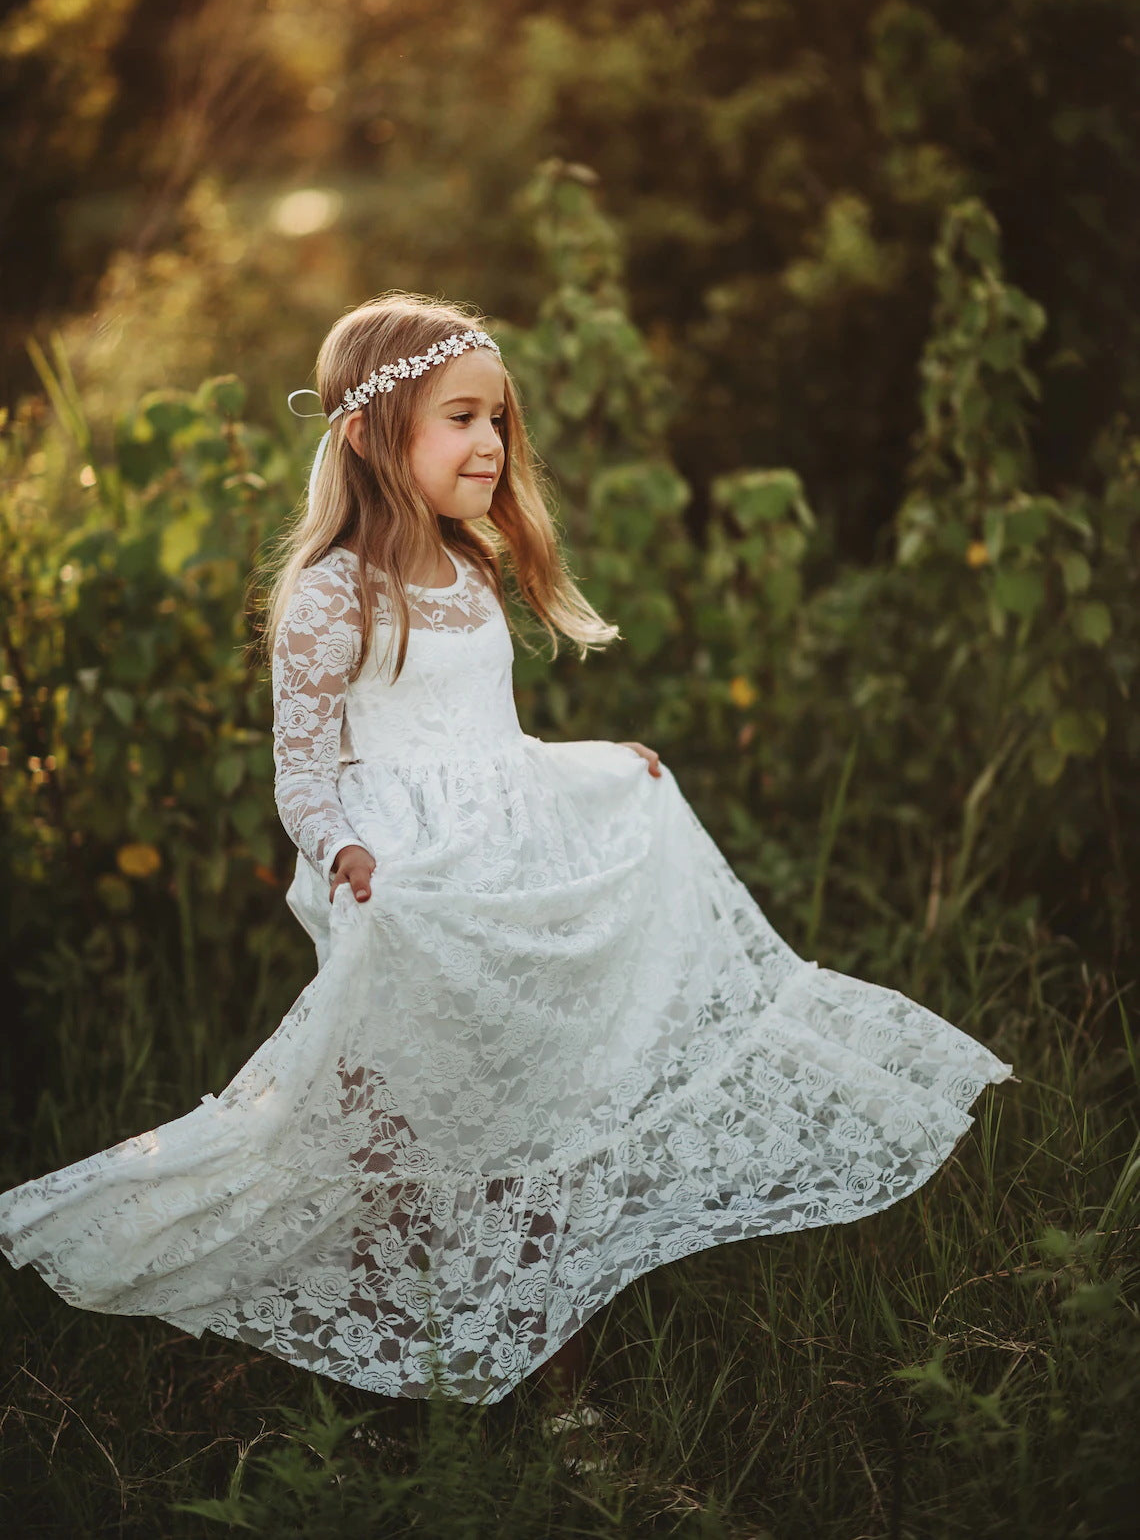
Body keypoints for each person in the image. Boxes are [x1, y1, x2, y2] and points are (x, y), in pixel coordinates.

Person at [0, 290, 1017, 1410]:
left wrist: (595, 763)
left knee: (533, 1118)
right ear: (371, 435)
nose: (490, 443)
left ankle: (555, 1383)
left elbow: (496, 744)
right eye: (460, 419)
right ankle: (352, 1350)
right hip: (407, 886)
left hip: (505, 871)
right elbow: (301, 771)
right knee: (394, 1138)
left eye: (499, 421)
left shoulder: (472, 569)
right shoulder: (333, 590)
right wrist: (343, 848)